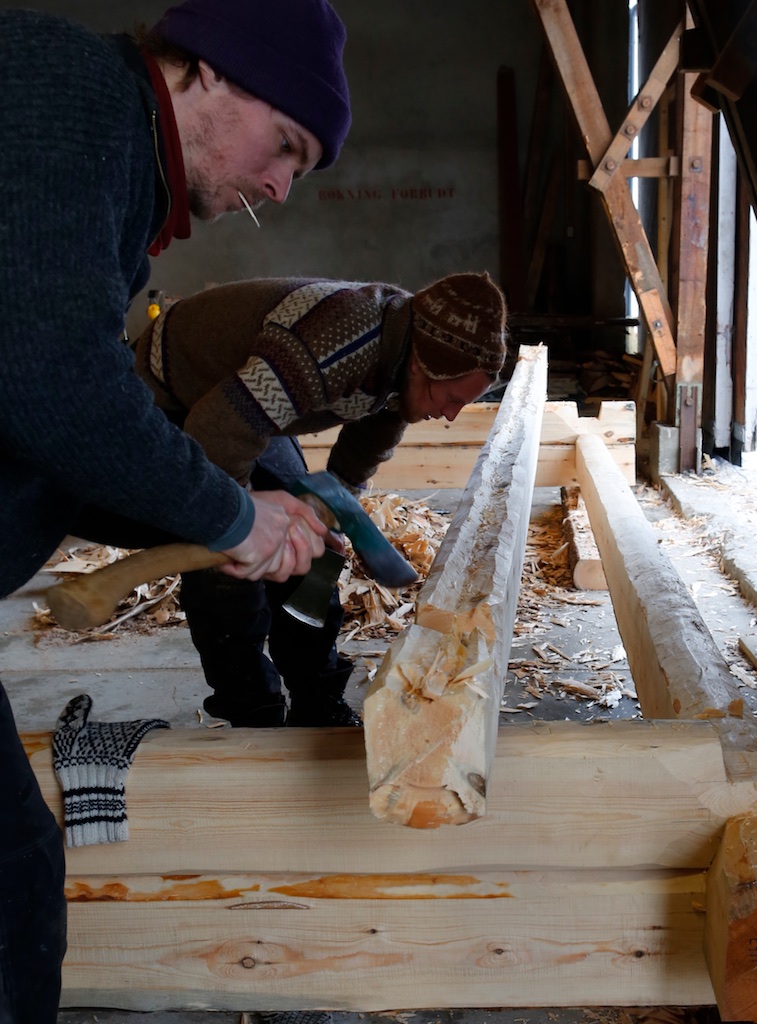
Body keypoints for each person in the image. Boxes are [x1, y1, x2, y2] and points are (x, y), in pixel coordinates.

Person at [0, 0, 351, 1020]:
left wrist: (219, 516)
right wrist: (231, 516)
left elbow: (52, 424)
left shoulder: (111, 156)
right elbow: (55, 390)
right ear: (211, 71)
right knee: (12, 877)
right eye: (284, 147)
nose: (279, 187)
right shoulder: (68, 96)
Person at [126, 271, 508, 728]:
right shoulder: (338, 341)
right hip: (168, 394)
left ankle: (318, 697)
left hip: (240, 399)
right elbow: (216, 430)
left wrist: (333, 505)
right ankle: (252, 708)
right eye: (449, 398)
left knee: (313, 547)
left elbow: (369, 441)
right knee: (228, 561)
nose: (449, 416)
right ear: (420, 367)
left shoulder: (407, 354)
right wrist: (245, 525)